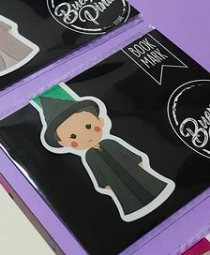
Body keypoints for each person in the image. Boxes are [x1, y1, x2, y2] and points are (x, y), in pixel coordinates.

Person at [38, 92, 174, 221]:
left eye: (88, 126)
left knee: (146, 183)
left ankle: (156, 191)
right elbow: (97, 172)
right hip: (116, 182)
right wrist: (106, 184)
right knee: (128, 197)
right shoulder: (89, 157)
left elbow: (126, 153)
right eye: (73, 136)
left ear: (100, 121)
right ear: (63, 143)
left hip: (132, 170)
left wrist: (137, 162)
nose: (85, 136)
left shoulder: (110, 142)